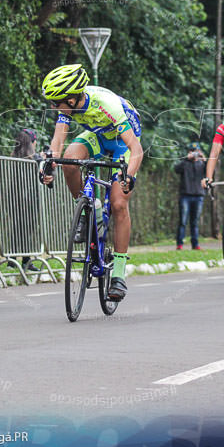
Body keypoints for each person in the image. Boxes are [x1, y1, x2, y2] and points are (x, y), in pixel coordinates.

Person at [39, 64, 143, 302]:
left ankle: (118, 275)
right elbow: (58, 141)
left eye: (56, 103)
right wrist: (48, 164)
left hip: (123, 143)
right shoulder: (68, 105)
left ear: (73, 99)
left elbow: (136, 150)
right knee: (69, 160)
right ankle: (88, 209)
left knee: (118, 204)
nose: (53, 107)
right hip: (98, 135)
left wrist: (128, 176)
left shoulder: (108, 106)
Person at [11, 128, 43, 272]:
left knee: (16, 228)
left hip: (14, 198)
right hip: (30, 199)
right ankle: (26, 260)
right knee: (27, 229)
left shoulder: (12, 158)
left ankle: (12, 260)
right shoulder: (34, 159)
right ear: (32, 142)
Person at [175, 142, 206, 250]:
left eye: (196, 151)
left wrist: (204, 159)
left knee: (195, 221)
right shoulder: (185, 163)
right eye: (192, 151)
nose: (194, 154)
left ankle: (195, 244)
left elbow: (210, 171)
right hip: (185, 195)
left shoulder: (202, 164)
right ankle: (179, 244)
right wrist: (186, 159)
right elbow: (176, 169)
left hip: (198, 195)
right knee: (183, 221)